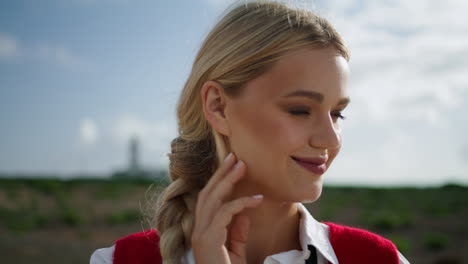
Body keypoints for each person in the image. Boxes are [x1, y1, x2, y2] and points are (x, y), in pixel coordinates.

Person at [91, 1, 411, 263]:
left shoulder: (378, 258)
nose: (331, 139)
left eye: (337, 113)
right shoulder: (118, 260)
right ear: (218, 107)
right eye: (300, 110)